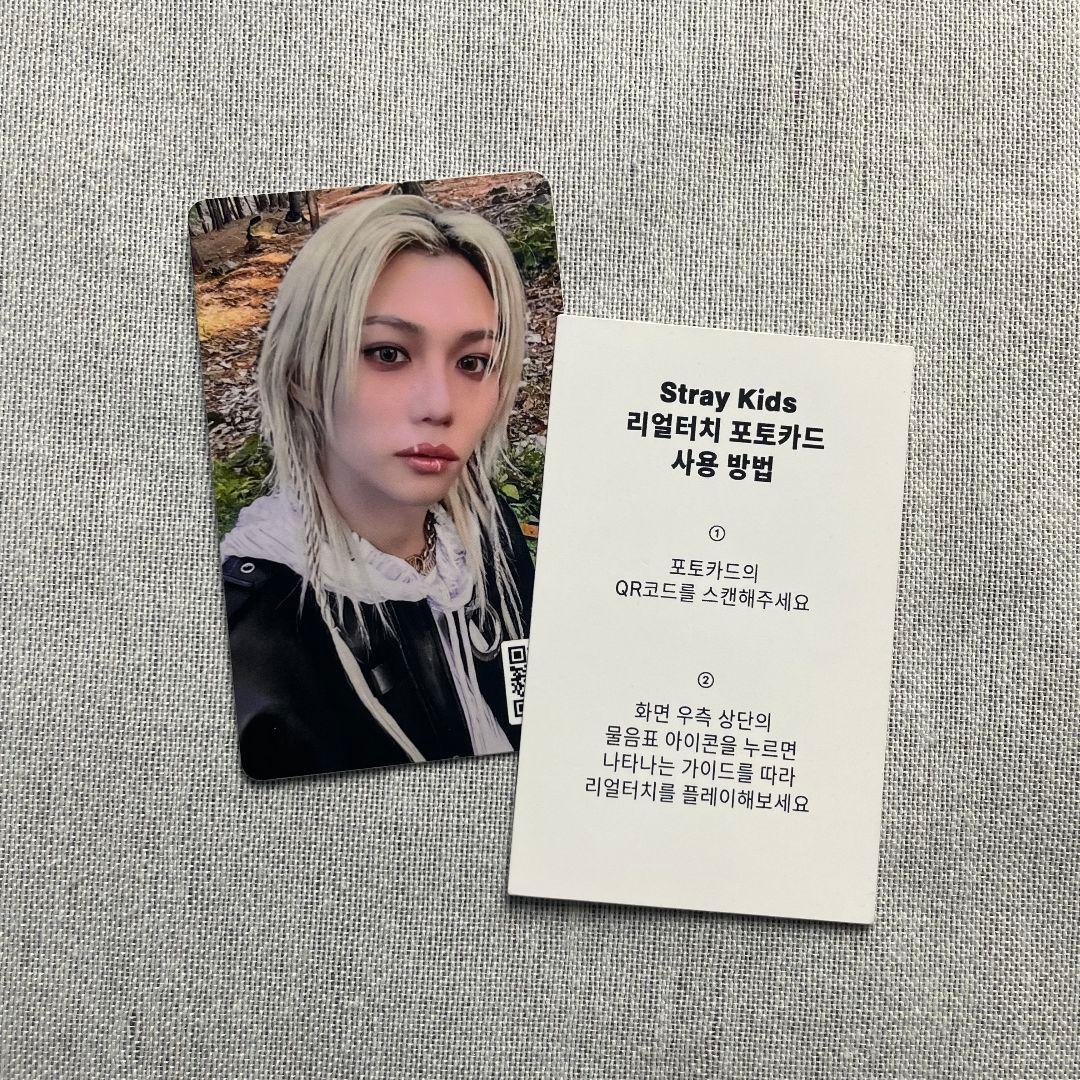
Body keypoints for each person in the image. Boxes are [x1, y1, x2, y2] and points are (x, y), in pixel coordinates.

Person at [219, 195, 536, 780]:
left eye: (472, 363)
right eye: (387, 353)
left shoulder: (488, 530)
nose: (440, 406)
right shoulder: (251, 636)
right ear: (303, 373)